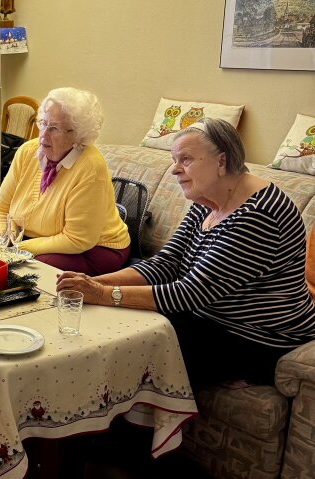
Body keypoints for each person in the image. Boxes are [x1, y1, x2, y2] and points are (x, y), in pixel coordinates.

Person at [56, 118, 315, 385]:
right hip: (208, 318)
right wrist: (91, 283)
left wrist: (101, 294)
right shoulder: (210, 199)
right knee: (122, 324)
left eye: (186, 160)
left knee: (133, 344)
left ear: (221, 161)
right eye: (174, 159)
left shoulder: (259, 216)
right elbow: (166, 263)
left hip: (256, 339)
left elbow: (189, 293)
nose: (175, 170)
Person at [0, 87, 130, 275]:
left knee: (24, 269)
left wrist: (18, 248)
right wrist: (4, 239)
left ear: (77, 135)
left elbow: (77, 239)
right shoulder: (27, 151)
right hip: (29, 239)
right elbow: (1, 209)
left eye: (54, 128)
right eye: (43, 124)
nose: (43, 135)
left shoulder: (90, 168)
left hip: (92, 249)